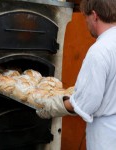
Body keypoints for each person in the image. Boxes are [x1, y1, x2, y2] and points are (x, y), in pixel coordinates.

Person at [35, 0, 116, 150]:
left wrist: (52, 106)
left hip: (106, 137)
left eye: (86, 17)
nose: (86, 23)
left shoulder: (99, 50)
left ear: (94, 15)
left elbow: (87, 102)